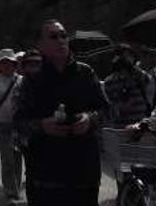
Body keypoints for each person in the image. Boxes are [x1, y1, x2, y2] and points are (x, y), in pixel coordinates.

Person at [15, 19, 109, 206]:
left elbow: (107, 110)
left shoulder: (86, 73)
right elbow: (18, 122)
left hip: (84, 174)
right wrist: (42, 126)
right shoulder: (31, 80)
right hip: (45, 176)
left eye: (64, 35)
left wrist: (90, 119)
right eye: (53, 36)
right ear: (40, 45)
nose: (61, 40)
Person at [0, 48, 23, 202]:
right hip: (1, 123)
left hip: (18, 124)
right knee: (7, 158)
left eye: (10, 63)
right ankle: (10, 191)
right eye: (4, 63)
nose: (7, 66)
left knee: (17, 157)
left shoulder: (21, 80)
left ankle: (16, 187)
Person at [12, 49, 44, 205]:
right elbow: (17, 116)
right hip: (30, 139)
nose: (34, 68)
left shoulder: (49, 84)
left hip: (52, 139)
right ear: (24, 67)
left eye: (37, 64)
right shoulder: (21, 86)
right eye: (30, 64)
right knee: (33, 177)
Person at [103, 44, 156, 126]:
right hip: (120, 125)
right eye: (121, 56)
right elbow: (108, 106)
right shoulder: (109, 81)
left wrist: (131, 67)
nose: (124, 59)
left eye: (128, 56)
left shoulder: (141, 77)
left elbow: (149, 98)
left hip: (140, 123)